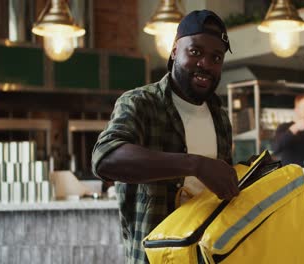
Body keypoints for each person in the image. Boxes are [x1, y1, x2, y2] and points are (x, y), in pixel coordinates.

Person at [91, 10, 239, 264]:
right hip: (155, 258)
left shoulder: (220, 117)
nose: (206, 64)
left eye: (216, 57)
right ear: (174, 51)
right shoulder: (140, 103)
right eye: (195, 52)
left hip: (209, 256)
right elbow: (105, 158)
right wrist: (196, 164)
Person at [272, 93, 304, 166]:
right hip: (290, 175)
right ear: (297, 110)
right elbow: (275, 148)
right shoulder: (284, 127)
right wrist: (295, 128)